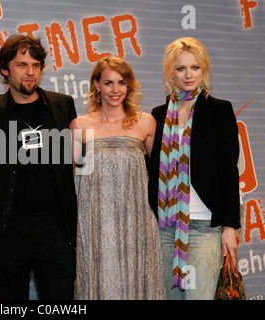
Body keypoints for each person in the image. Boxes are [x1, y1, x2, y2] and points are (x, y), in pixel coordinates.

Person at [0, 34, 78, 300]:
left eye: (35, 64)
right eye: (22, 65)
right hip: (8, 227)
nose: (30, 71)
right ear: (4, 71)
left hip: (54, 227)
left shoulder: (63, 105)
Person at [148, 37, 241, 300]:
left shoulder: (219, 110)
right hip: (165, 229)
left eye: (195, 67)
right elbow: (152, 172)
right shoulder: (158, 114)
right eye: (181, 68)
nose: (189, 75)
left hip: (204, 229)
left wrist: (230, 228)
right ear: (170, 73)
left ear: (204, 70)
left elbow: (228, 172)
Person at [70, 55, 166, 300]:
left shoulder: (146, 123)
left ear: (129, 86)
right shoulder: (79, 126)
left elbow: (161, 175)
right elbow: (63, 178)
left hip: (138, 222)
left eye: (121, 83)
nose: (115, 90)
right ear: (96, 85)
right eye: (109, 83)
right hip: (96, 225)